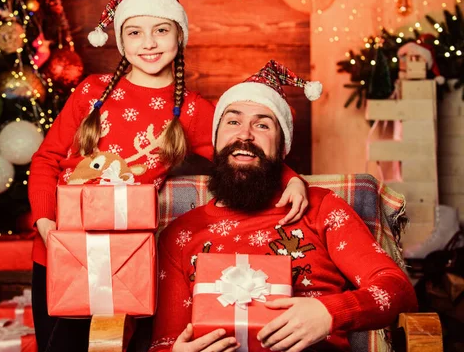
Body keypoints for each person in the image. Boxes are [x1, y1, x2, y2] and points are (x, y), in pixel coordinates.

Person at [28, 0, 310, 351]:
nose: (149, 43)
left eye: (161, 30)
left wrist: (290, 177)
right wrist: (47, 226)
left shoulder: (191, 110)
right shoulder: (91, 91)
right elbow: (46, 160)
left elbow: (240, 150)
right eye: (135, 31)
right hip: (60, 251)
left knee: (110, 345)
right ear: (120, 40)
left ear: (180, 35)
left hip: (126, 260)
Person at [149, 60, 418, 352]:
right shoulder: (180, 235)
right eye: (233, 121)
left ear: (282, 147)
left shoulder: (321, 208)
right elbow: (163, 343)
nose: (245, 134)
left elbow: (397, 289)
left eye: (262, 124)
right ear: (215, 141)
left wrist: (329, 312)